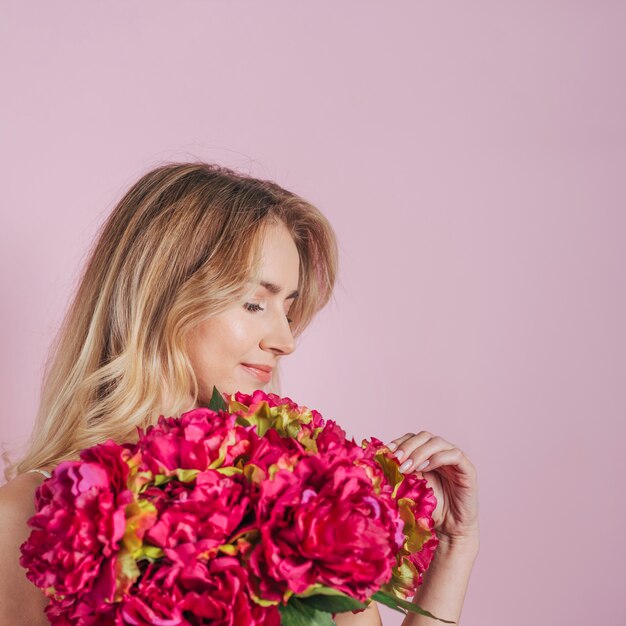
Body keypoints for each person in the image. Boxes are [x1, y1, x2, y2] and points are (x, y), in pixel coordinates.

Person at [0, 162, 479, 625]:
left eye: (288, 310)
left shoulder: (301, 506)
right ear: (161, 297)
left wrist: (457, 545)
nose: (285, 341)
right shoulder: (25, 518)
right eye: (254, 303)